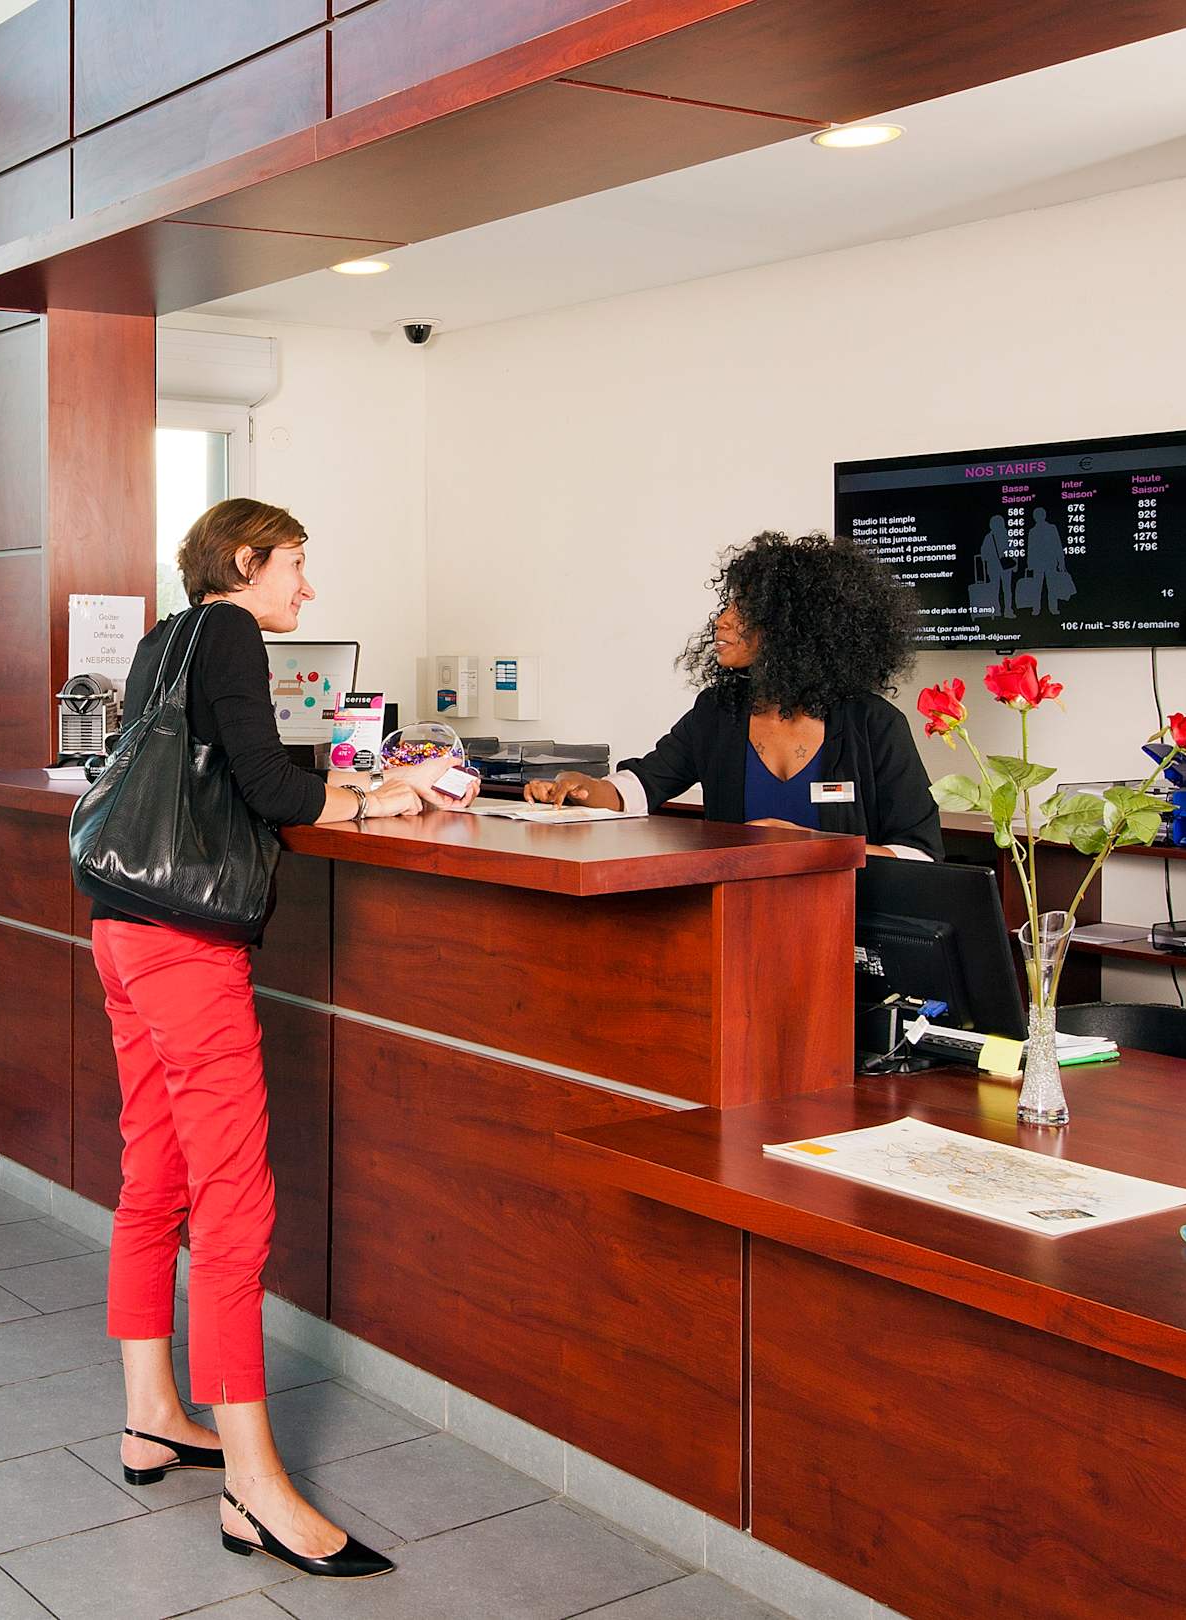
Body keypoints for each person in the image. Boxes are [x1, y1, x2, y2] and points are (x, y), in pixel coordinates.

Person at [88, 498, 467, 1580]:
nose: (307, 585)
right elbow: (267, 790)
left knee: (154, 1174)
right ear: (246, 561)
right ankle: (253, 1486)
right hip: (186, 946)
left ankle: (152, 1415)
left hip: (123, 926)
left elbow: (237, 770)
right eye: (296, 563)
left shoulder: (168, 636)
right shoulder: (232, 631)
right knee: (234, 1206)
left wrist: (352, 785)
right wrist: (376, 798)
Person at [526, 530, 943, 860]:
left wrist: (812, 848)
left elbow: (920, 854)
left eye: (743, 609)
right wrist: (582, 787)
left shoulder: (873, 724)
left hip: (846, 925)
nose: (722, 621)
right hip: (736, 919)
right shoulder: (718, 712)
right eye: (727, 605)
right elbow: (642, 786)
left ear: (792, 626)